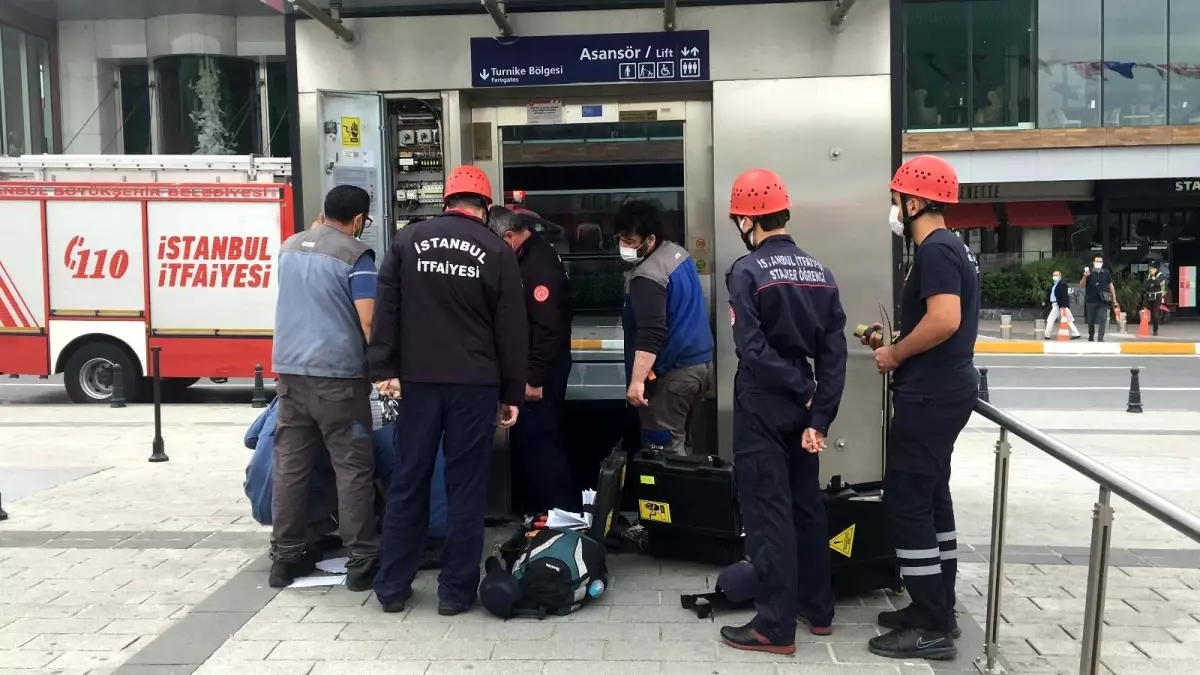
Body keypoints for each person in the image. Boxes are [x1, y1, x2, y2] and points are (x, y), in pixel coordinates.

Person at [368, 165, 527, 616]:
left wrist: (384, 367)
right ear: (486, 207)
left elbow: (387, 308)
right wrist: (511, 393)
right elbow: (511, 330)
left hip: (417, 382)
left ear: (446, 200)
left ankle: (393, 588)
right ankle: (455, 594)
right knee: (467, 488)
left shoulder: (407, 241)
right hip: (475, 386)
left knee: (408, 480)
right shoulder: (497, 251)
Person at [716, 169, 847, 655]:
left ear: (749, 219)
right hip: (803, 405)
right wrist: (819, 413)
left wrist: (799, 388)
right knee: (806, 507)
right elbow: (834, 355)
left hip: (763, 401)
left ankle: (773, 627)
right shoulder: (821, 273)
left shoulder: (747, 271)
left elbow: (751, 349)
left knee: (769, 514)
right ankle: (818, 609)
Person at [862, 155, 980, 661]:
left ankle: (931, 624)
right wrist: (892, 340)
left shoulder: (934, 250)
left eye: (896, 200)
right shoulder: (955, 249)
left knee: (906, 501)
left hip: (930, 394)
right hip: (945, 390)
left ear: (915, 201)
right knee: (933, 500)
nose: (893, 210)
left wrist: (895, 353)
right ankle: (938, 607)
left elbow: (945, 320)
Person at [269, 185, 379, 590]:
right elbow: (368, 320)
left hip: (291, 376)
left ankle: (285, 558)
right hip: (339, 379)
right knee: (351, 468)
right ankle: (362, 560)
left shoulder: (290, 248)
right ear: (358, 219)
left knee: (291, 467)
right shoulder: (355, 255)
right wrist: (386, 369)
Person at [243, 393, 450, 567]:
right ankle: (367, 545)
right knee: (354, 474)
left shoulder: (286, 398)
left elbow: (250, 439)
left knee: (315, 469)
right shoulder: (385, 415)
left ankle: (306, 538)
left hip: (266, 507)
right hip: (432, 527)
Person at [488, 205, 579, 514]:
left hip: (542, 371)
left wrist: (534, 379)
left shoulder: (538, 266)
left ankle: (561, 513)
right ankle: (545, 511)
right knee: (534, 441)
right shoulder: (527, 257)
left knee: (541, 441)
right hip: (533, 367)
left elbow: (547, 328)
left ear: (510, 236)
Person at [616, 200, 714, 454]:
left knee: (665, 456)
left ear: (649, 240)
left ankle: (676, 496)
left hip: (672, 377)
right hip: (699, 368)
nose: (623, 247)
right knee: (686, 447)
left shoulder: (647, 276)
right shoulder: (677, 254)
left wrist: (637, 382)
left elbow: (651, 332)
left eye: (629, 241)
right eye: (621, 239)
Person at [1081, 254, 1119, 342]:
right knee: (1091, 321)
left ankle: (1100, 338)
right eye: (1097, 261)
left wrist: (1114, 299)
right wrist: (1085, 276)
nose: (1098, 263)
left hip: (1103, 301)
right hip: (1091, 301)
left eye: (1100, 261)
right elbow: (1082, 286)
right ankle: (1091, 335)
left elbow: (1110, 285)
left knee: (1102, 319)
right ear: (1093, 262)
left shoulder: (1106, 273)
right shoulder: (1089, 272)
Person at [1043, 270, 1080, 340]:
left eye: (1056, 275)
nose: (1054, 276)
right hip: (1056, 304)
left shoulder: (1062, 283)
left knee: (1051, 319)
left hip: (1059, 305)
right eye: (1053, 275)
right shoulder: (1054, 284)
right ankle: (1076, 333)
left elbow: (1064, 295)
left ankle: (1047, 334)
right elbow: (1051, 295)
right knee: (1068, 319)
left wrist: (1063, 306)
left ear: (1060, 276)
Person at [1144, 261, 1166, 336]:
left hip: (1157, 297)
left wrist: (1152, 281)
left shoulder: (1161, 275)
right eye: (1150, 268)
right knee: (1145, 313)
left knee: (1155, 315)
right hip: (1148, 296)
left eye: (1152, 268)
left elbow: (1158, 283)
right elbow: (1145, 285)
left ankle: (1155, 330)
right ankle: (1144, 329)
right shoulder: (1148, 275)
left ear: (1156, 269)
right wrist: (1152, 282)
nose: (1151, 270)